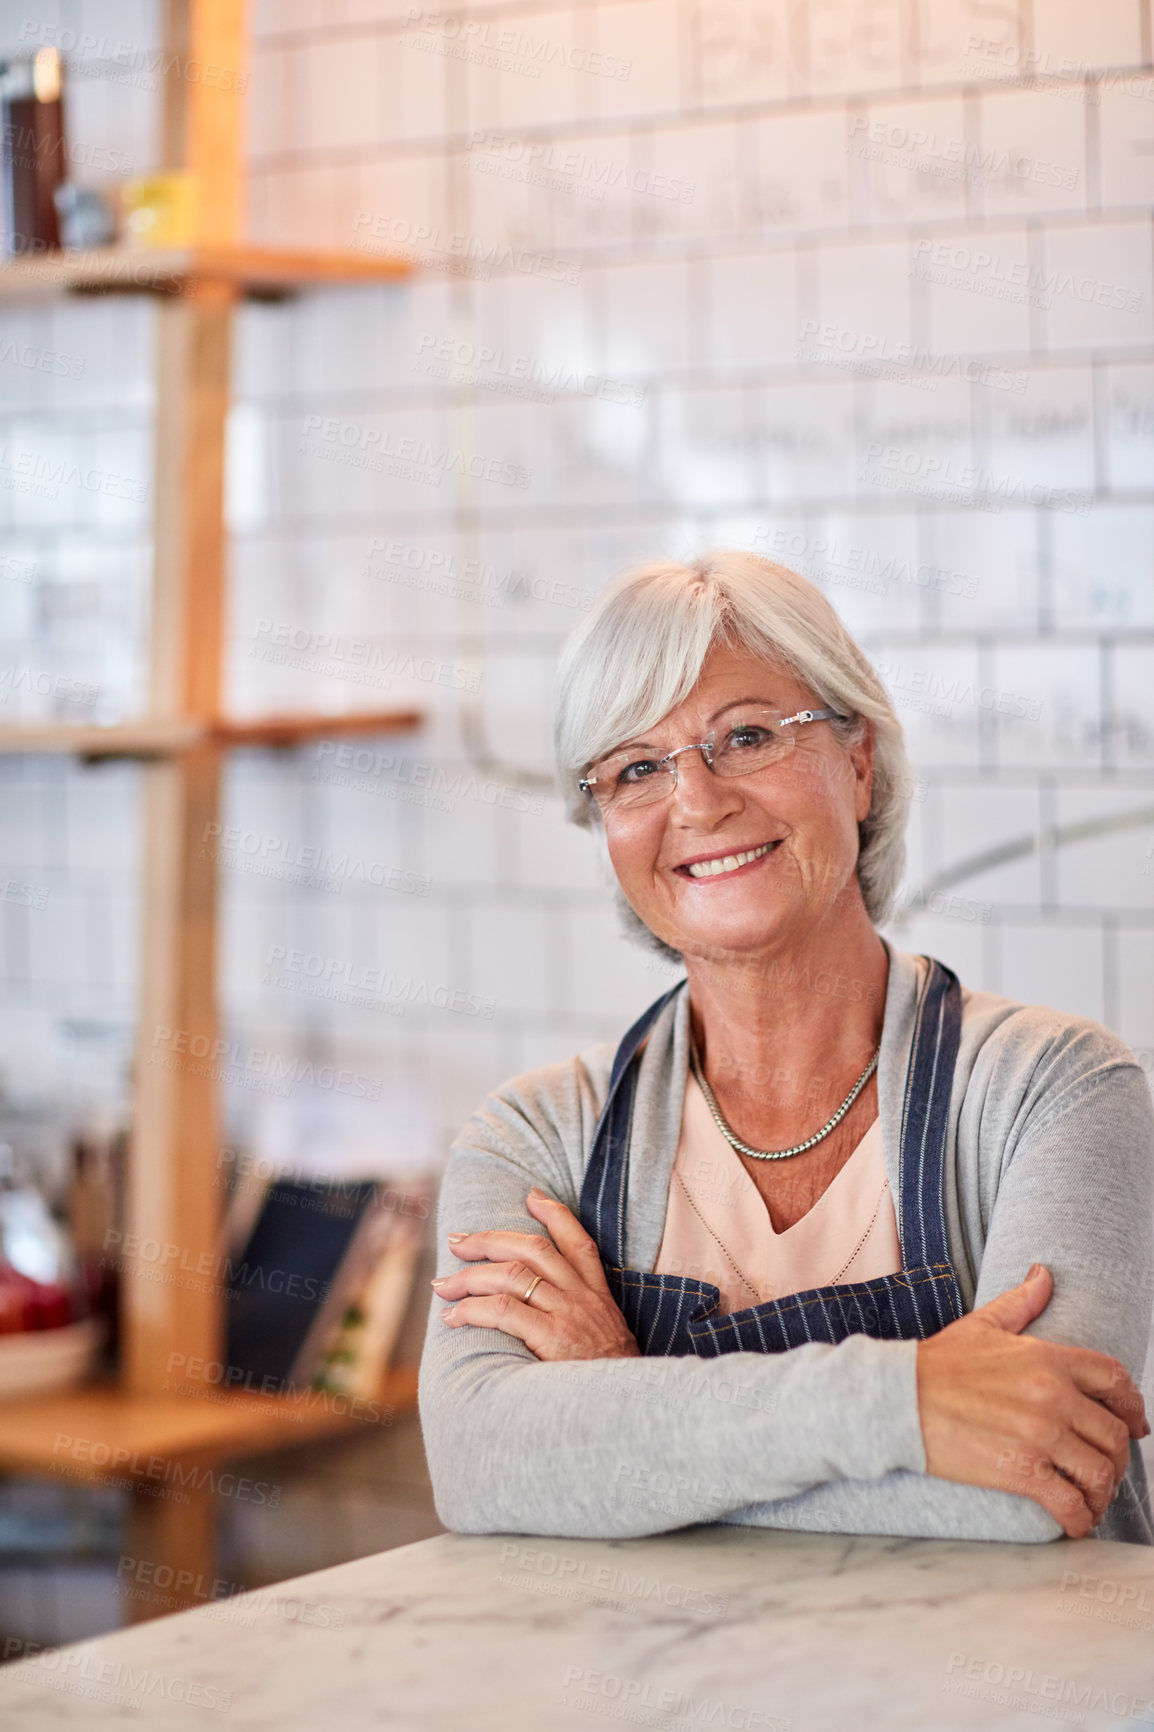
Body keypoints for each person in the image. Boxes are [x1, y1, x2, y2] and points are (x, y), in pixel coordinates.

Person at [419, 550, 1153, 1544]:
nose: (695, 801)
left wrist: (614, 1415)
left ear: (856, 762)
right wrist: (904, 1407)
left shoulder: (1051, 1092)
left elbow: (1027, 1489)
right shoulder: (537, 1138)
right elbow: (480, 1470)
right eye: (634, 768)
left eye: (747, 735)